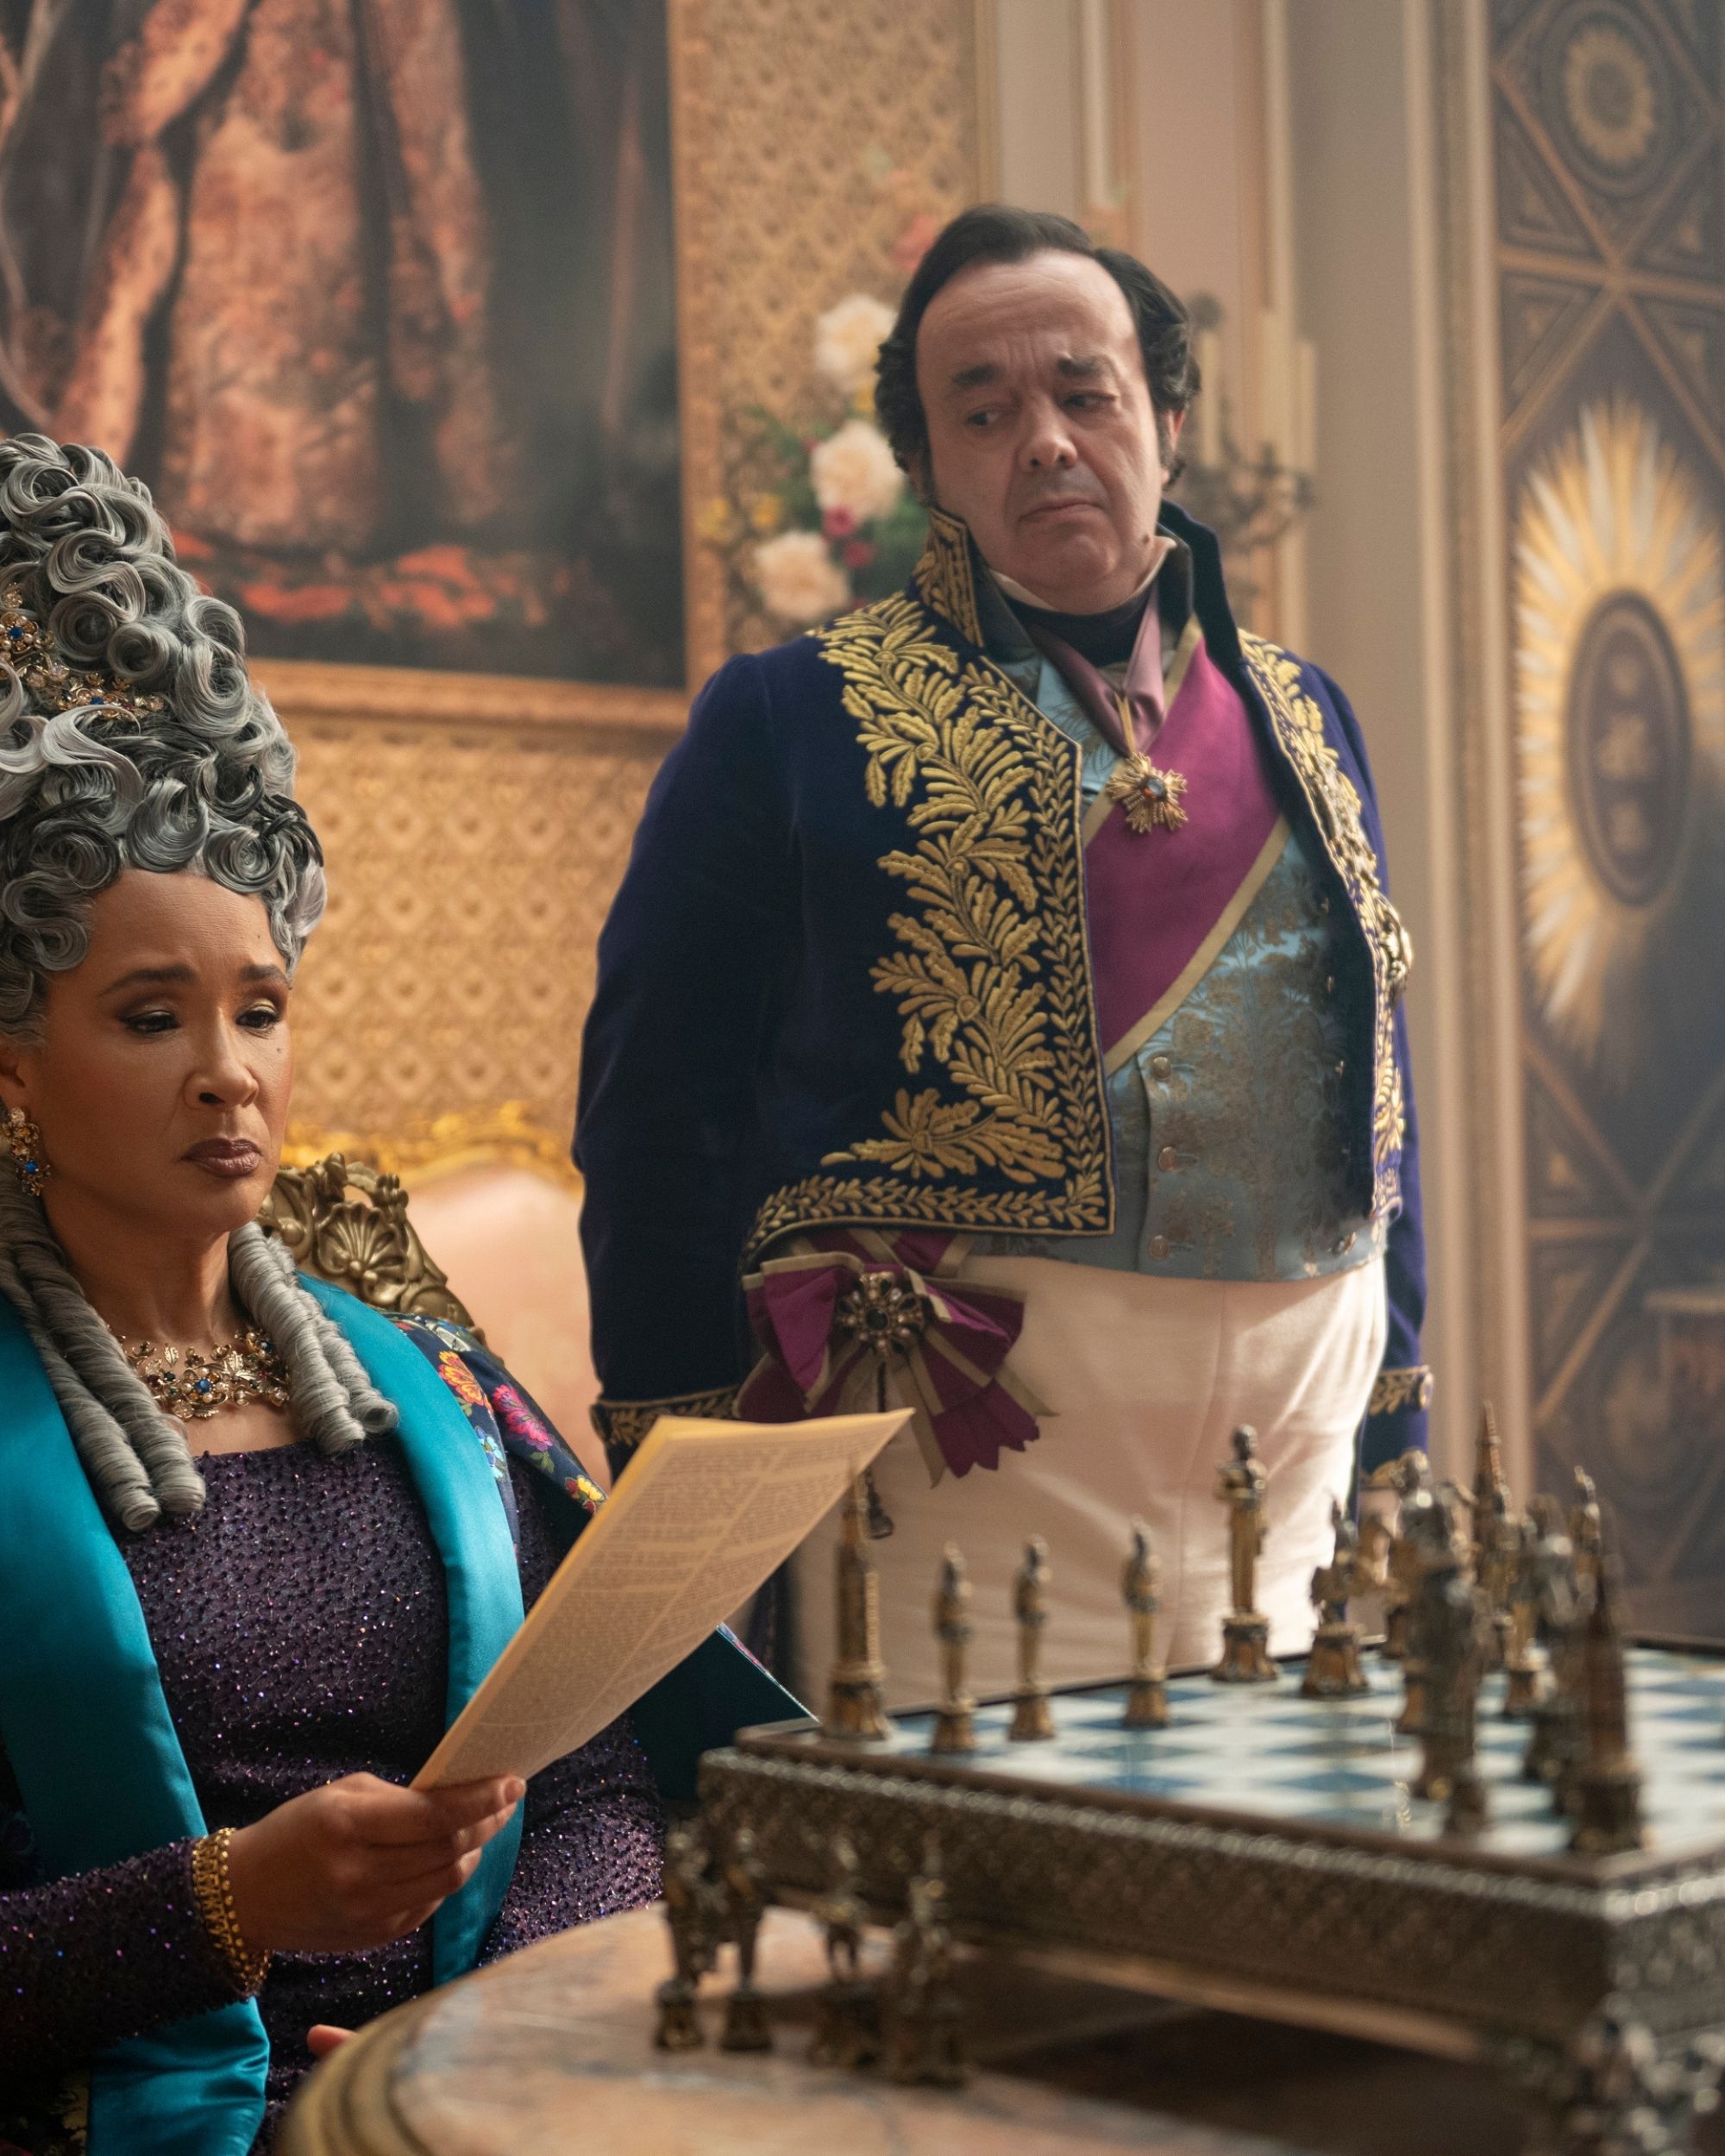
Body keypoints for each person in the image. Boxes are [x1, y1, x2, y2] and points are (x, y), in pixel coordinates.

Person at [0, 434, 782, 2155]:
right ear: (16, 1067)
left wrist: (472, 2031)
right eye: (151, 1016)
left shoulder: (407, 1364)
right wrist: (228, 1899)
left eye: (259, 1009)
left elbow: (587, 1776)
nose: (230, 1074)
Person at [576, 205, 1431, 1703]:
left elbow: (1379, 1090)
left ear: (1167, 420)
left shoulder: (1309, 711)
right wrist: (684, 1482)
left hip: (1288, 1467)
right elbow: (657, 1117)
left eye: (1083, 392)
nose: (1043, 440)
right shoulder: (783, 719)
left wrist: (1399, 1439)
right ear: (926, 469)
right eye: (985, 409)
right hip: (966, 1463)